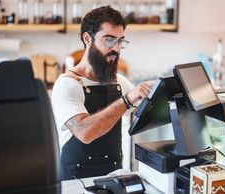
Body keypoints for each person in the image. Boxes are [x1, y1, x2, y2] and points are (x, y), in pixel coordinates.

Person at [51, 6, 153, 180]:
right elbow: (84, 132)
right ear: (87, 38)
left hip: (113, 178)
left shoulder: (119, 82)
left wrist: (162, 95)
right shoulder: (67, 85)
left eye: (121, 41)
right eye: (109, 40)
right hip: (76, 183)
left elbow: (144, 115)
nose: (117, 48)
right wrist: (127, 100)